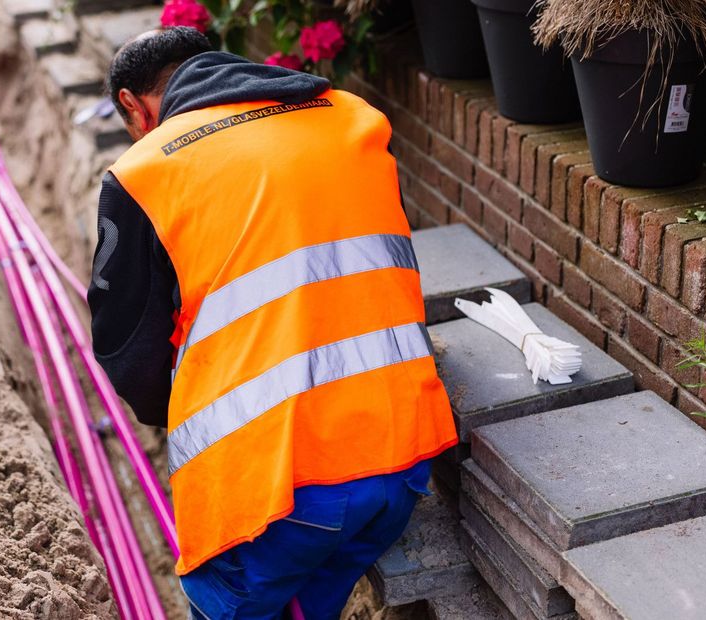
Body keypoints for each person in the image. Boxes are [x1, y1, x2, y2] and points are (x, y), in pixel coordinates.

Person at [88, 26, 458, 620]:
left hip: (276, 488)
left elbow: (126, 350)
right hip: (401, 462)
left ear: (133, 105)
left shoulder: (145, 172)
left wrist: (178, 411)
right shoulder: (351, 117)